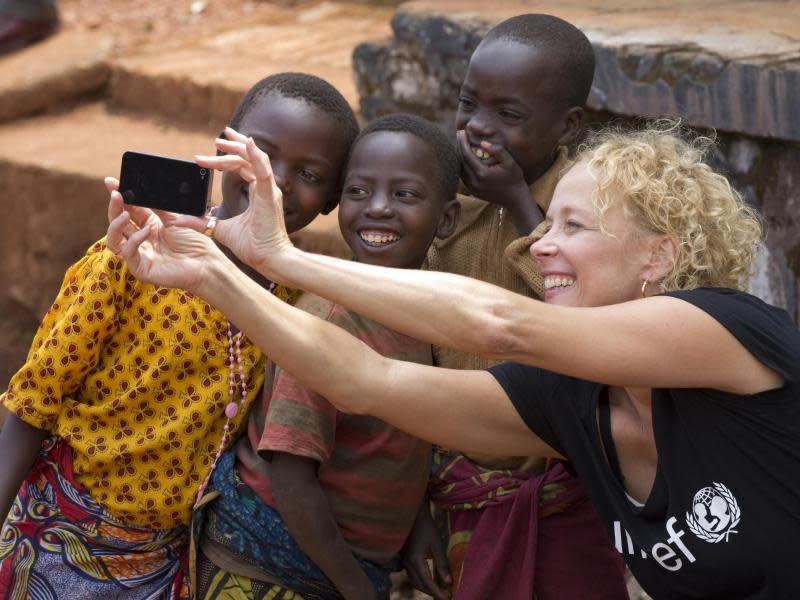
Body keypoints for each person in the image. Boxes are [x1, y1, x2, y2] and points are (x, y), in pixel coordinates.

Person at [107, 119, 800, 599]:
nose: (537, 246)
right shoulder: (570, 402)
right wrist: (215, 275)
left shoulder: (726, 330)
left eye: (574, 226)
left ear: (660, 253)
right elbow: (365, 378)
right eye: (547, 222)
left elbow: (500, 323)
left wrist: (285, 258)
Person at [0, 72, 358, 599]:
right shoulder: (137, 258)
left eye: (308, 172)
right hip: (56, 533)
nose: (272, 180)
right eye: (261, 155)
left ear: (331, 199)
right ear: (220, 150)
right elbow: (33, 401)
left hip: (166, 559)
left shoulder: (296, 301)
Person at [193, 113, 460, 600]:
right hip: (269, 569)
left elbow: (398, 435)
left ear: (447, 219)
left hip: (336, 564)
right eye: (359, 191)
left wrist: (415, 523)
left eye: (404, 194)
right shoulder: (331, 320)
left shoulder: (419, 312)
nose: (377, 209)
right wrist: (357, 590)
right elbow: (292, 477)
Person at [411, 14, 626, 599]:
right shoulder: (442, 198)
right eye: (467, 105)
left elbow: (585, 322)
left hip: (560, 488)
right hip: (455, 481)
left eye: (508, 115)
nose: (479, 128)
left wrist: (518, 204)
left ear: (567, 124)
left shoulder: (586, 208)